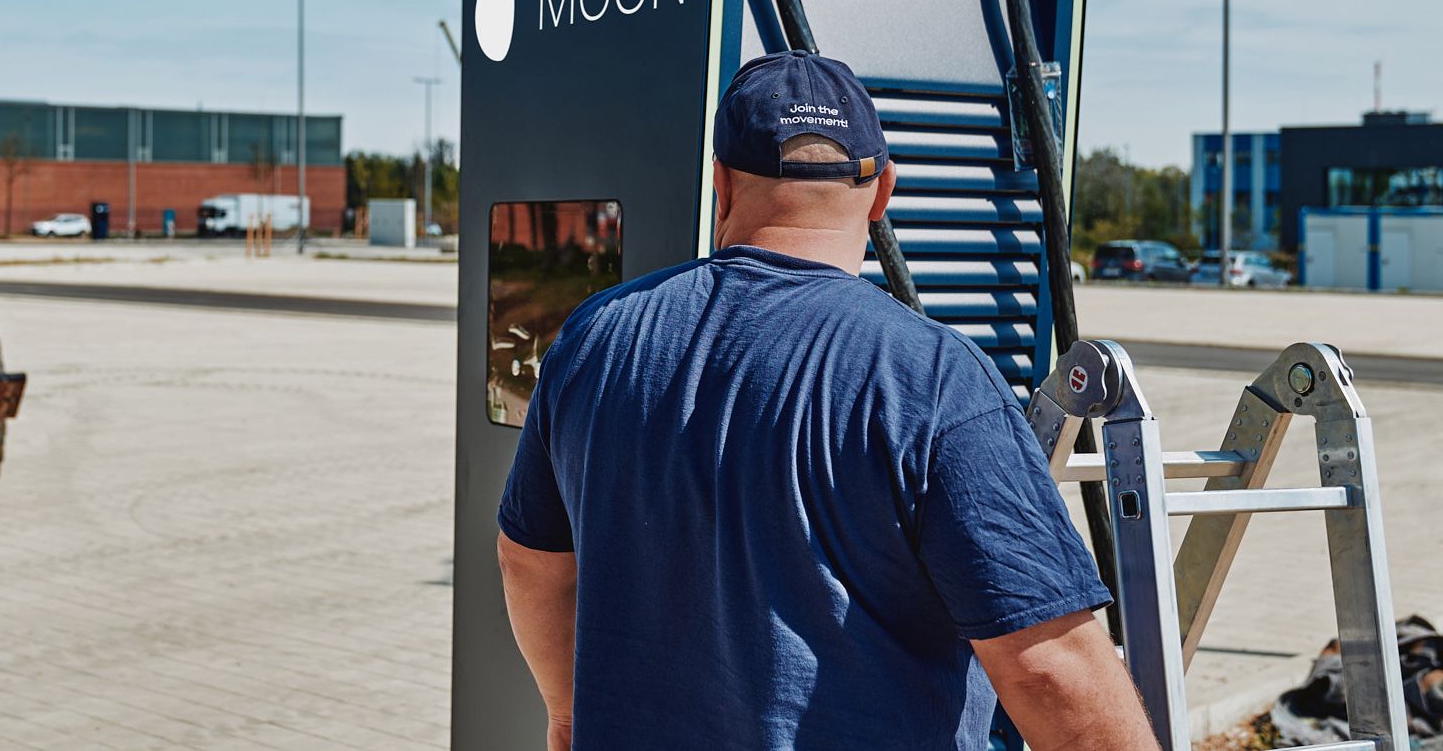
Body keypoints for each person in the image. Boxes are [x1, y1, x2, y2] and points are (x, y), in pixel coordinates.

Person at [495, 51, 1156, 751]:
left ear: (720, 184)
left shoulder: (593, 336)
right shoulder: (933, 378)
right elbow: (1049, 669)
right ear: (881, 194)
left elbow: (528, 562)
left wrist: (568, 714)